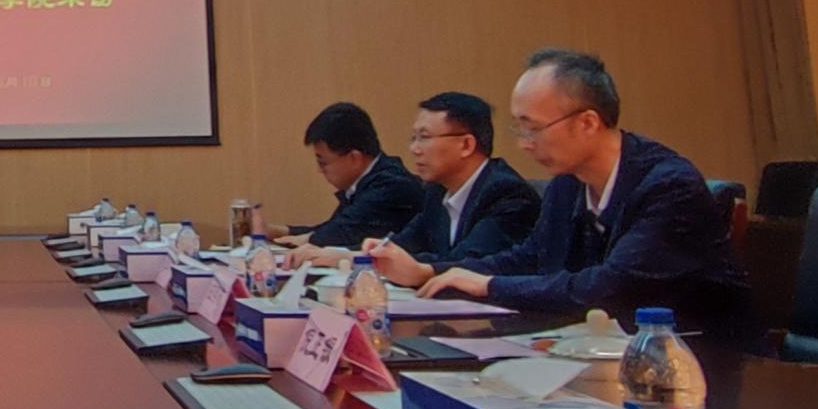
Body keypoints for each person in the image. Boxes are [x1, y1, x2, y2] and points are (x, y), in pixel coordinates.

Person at [381, 49, 754, 338]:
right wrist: (433, 272)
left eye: (532, 128)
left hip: (706, 364)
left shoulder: (668, 186)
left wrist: (489, 286)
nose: (524, 144)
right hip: (606, 350)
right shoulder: (568, 182)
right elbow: (531, 258)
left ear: (587, 122)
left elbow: (609, 288)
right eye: (519, 129)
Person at [290, 92, 539, 269]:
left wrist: (354, 259)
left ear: (466, 145)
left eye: (424, 137)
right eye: (414, 138)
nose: (415, 149)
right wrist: (348, 254)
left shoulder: (507, 193)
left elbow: (464, 263)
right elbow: (404, 245)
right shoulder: (437, 192)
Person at [270, 102, 423, 247]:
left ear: (354, 158)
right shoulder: (367, 181)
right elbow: (334, 226)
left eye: (323, 162)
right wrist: (280, 231)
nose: (319, 170)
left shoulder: (391, 185)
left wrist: (301, 240)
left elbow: (341, 234)